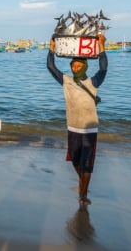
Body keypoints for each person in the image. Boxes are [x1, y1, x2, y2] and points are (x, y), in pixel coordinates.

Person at [47, 33, 107, 206]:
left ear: (85, 66)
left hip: (89, 129)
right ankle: (82, 181)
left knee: (87, 163)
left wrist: (102, 46)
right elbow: (51, 67)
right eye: (73, 65)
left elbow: (103, 69)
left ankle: (83, 194)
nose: (75, 68)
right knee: (75, 160)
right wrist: (51, 47)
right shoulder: (66, 81)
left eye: (79, 65)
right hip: (73, 127)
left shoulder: (93, 82)